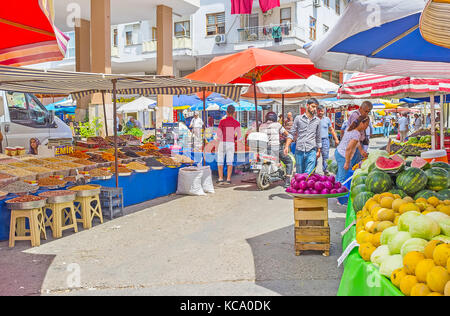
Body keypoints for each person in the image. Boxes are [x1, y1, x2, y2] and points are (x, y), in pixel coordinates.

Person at [284, 98, 321, 175]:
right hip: (299, 151)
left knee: (308, 174)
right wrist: (287, 146)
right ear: (307, 106)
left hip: (311, 150)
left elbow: (318, 136)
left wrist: (319, 151)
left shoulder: (317, 121)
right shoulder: (298, 118)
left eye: (316, 107)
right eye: (313, 106)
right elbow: (292, 133)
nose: (315, 109)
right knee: (299, 175)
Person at [259, 111, 293, 188]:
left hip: (264, 148)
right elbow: (287, 134)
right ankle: (287, 182)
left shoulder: (261, 126)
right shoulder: (277, 125)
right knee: (289, 161)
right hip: (275, 148)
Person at [335, 116, 371, 184]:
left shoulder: (350, 128)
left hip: (338, 152)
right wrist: (347, 162)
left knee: (339, 175)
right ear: (361, 123)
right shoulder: (356, 133)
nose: (367, 127)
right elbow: (349, 148)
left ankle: (334, 190)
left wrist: (361, 151)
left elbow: (356, 142)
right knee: (343, 178)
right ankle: (340, 193)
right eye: (366, 124)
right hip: (344, 156)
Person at [216, 105, 241, 185]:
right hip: (231, 143)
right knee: (229, 161)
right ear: (234, 113)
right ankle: (228, 179)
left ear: (226, 112)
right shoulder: (236, 123)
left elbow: (218, 134)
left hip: (222, 143)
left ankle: (220, 178)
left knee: (220, 160)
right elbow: (239, 136)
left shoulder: (222, 122)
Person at [317, 105, 339, 176]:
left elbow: (331, 129)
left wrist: (336, 139)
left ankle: (326, 171)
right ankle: (312, 171)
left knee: (325, 156)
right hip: (315, 141)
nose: (320, 112)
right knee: (315, 156)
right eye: (319, 111)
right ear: (317, 111)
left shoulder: (327, 119)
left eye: (322, 111)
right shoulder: (314, 119)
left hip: (325, 140)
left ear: (324, 111)